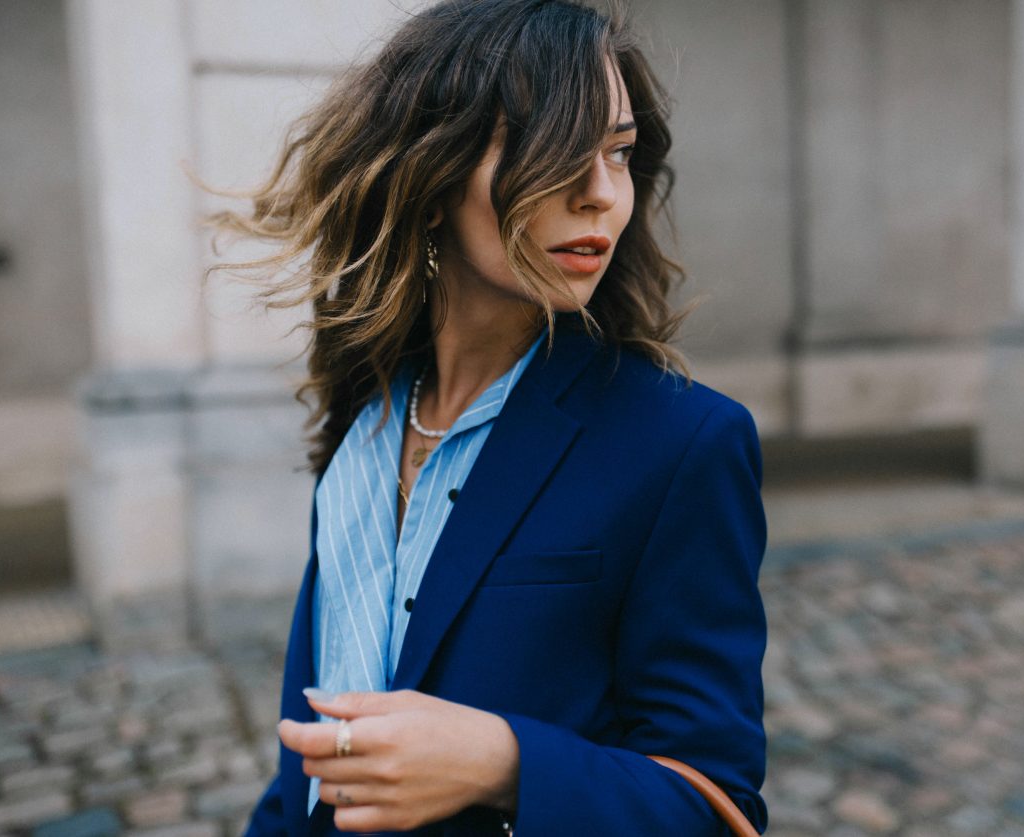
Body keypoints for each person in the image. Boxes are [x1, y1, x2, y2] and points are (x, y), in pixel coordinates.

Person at [207, 1, 768, 834]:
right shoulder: (364, 425)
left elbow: (716, 806)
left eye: (616, 151)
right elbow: (309, 771)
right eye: (554, 152)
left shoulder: (681, 445)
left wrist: (504, 761)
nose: (601, 195)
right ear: (430, 178)